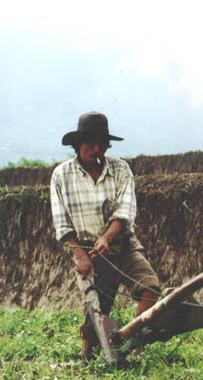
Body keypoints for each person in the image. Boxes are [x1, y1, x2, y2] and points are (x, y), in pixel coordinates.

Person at [50, 111, 161, 361]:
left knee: (150, 288)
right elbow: (62, 224)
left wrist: (107, 238)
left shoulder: (121, 170)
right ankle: (88, 357)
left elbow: (125, 210)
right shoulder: (61, 176)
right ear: (78, 145)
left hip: (123, 245)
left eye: (102, 143)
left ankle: (132, 343)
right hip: (88, 251)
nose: (97, 149)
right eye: (90, 143)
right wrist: (80, 254)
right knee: (97, 306)